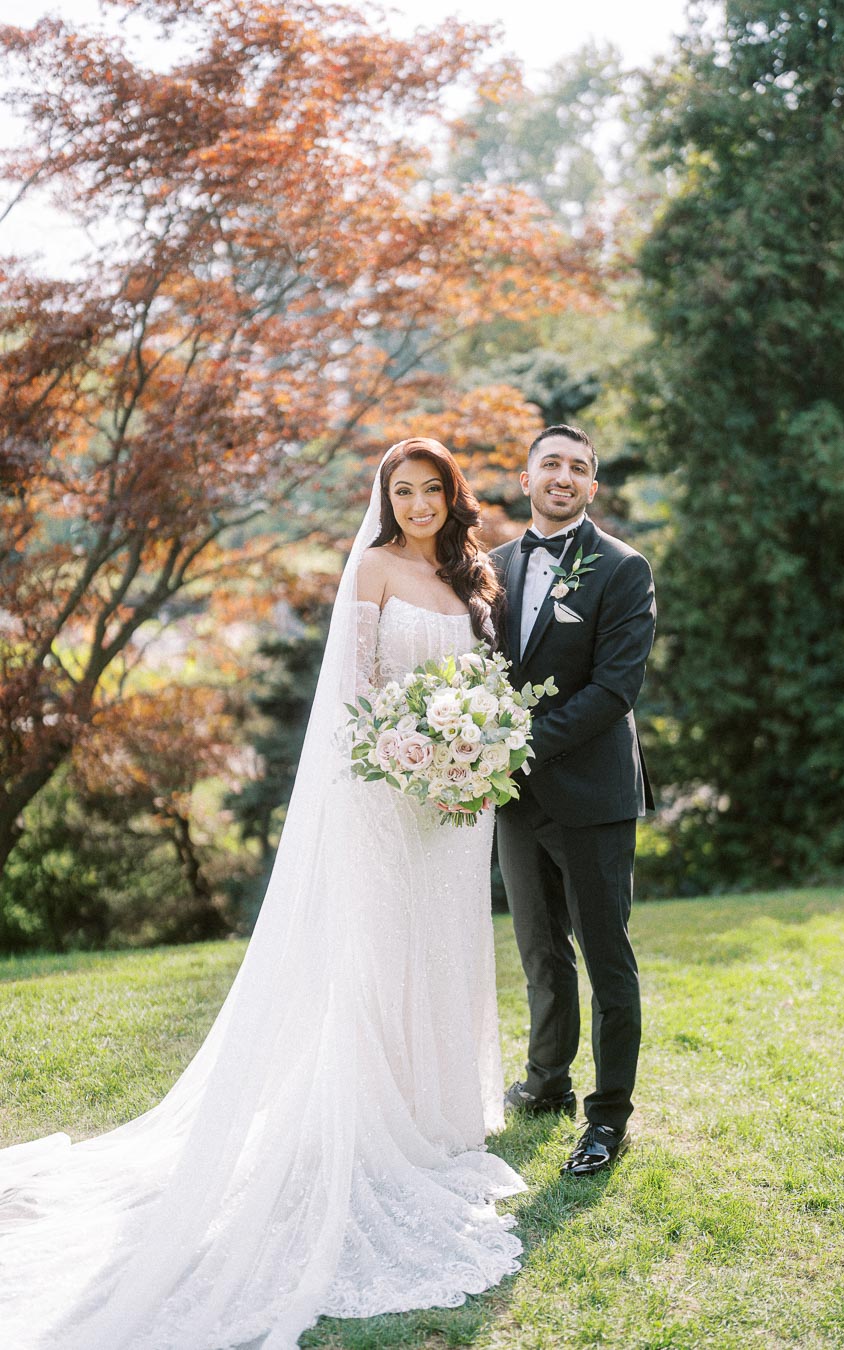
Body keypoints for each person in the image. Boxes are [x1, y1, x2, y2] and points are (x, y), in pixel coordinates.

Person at [0, 439, 524, 1350]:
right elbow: (356, 696)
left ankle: (443, 1109)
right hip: (382, 789)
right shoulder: (371, 568)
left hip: (455, 804)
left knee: (446, 943)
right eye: (400, 490)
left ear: (452, 494)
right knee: (380, 952)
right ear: (385, 498)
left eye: (430, 489)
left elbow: (485, 684)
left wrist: (471, 751)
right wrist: (410, 748)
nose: (415, 504)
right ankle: (373, 1111)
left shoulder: (475, 579)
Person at [490, 424, 656, 1179]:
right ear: (525, 479)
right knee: (539, 953)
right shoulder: (488, 570)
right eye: (550, 464)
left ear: (592, 488)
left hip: (592, 796)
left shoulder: (623, 569)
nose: (564, 476)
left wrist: (518, 746)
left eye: (579, 469)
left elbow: (614, 689)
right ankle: (547, 1082)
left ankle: (607, 1118)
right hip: (516, 801)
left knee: (606, 959)